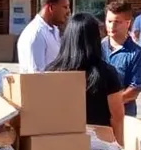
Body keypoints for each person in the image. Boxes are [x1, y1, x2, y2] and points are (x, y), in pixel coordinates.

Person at [46, 12, 125, 141]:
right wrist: (120, 145)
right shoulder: (106, 73)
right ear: (95, 39)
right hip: (100, 144)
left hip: (61, 143)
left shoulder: (51, 72)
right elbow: (117, 116)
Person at [103, 0, 141, 118]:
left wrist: (110, 103)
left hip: (123, 114)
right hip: (97, 115)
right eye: (109, 21)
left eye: (117, 22)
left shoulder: (137, 53)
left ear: (128, 23)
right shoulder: (97, 48)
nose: (112, 26)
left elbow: (135, 89)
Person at [16, 0, 70, 72]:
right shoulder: (36, 34)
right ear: (51, 7)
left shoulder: (54, 30)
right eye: (65, 7)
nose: (68, 11)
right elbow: (37, 75)